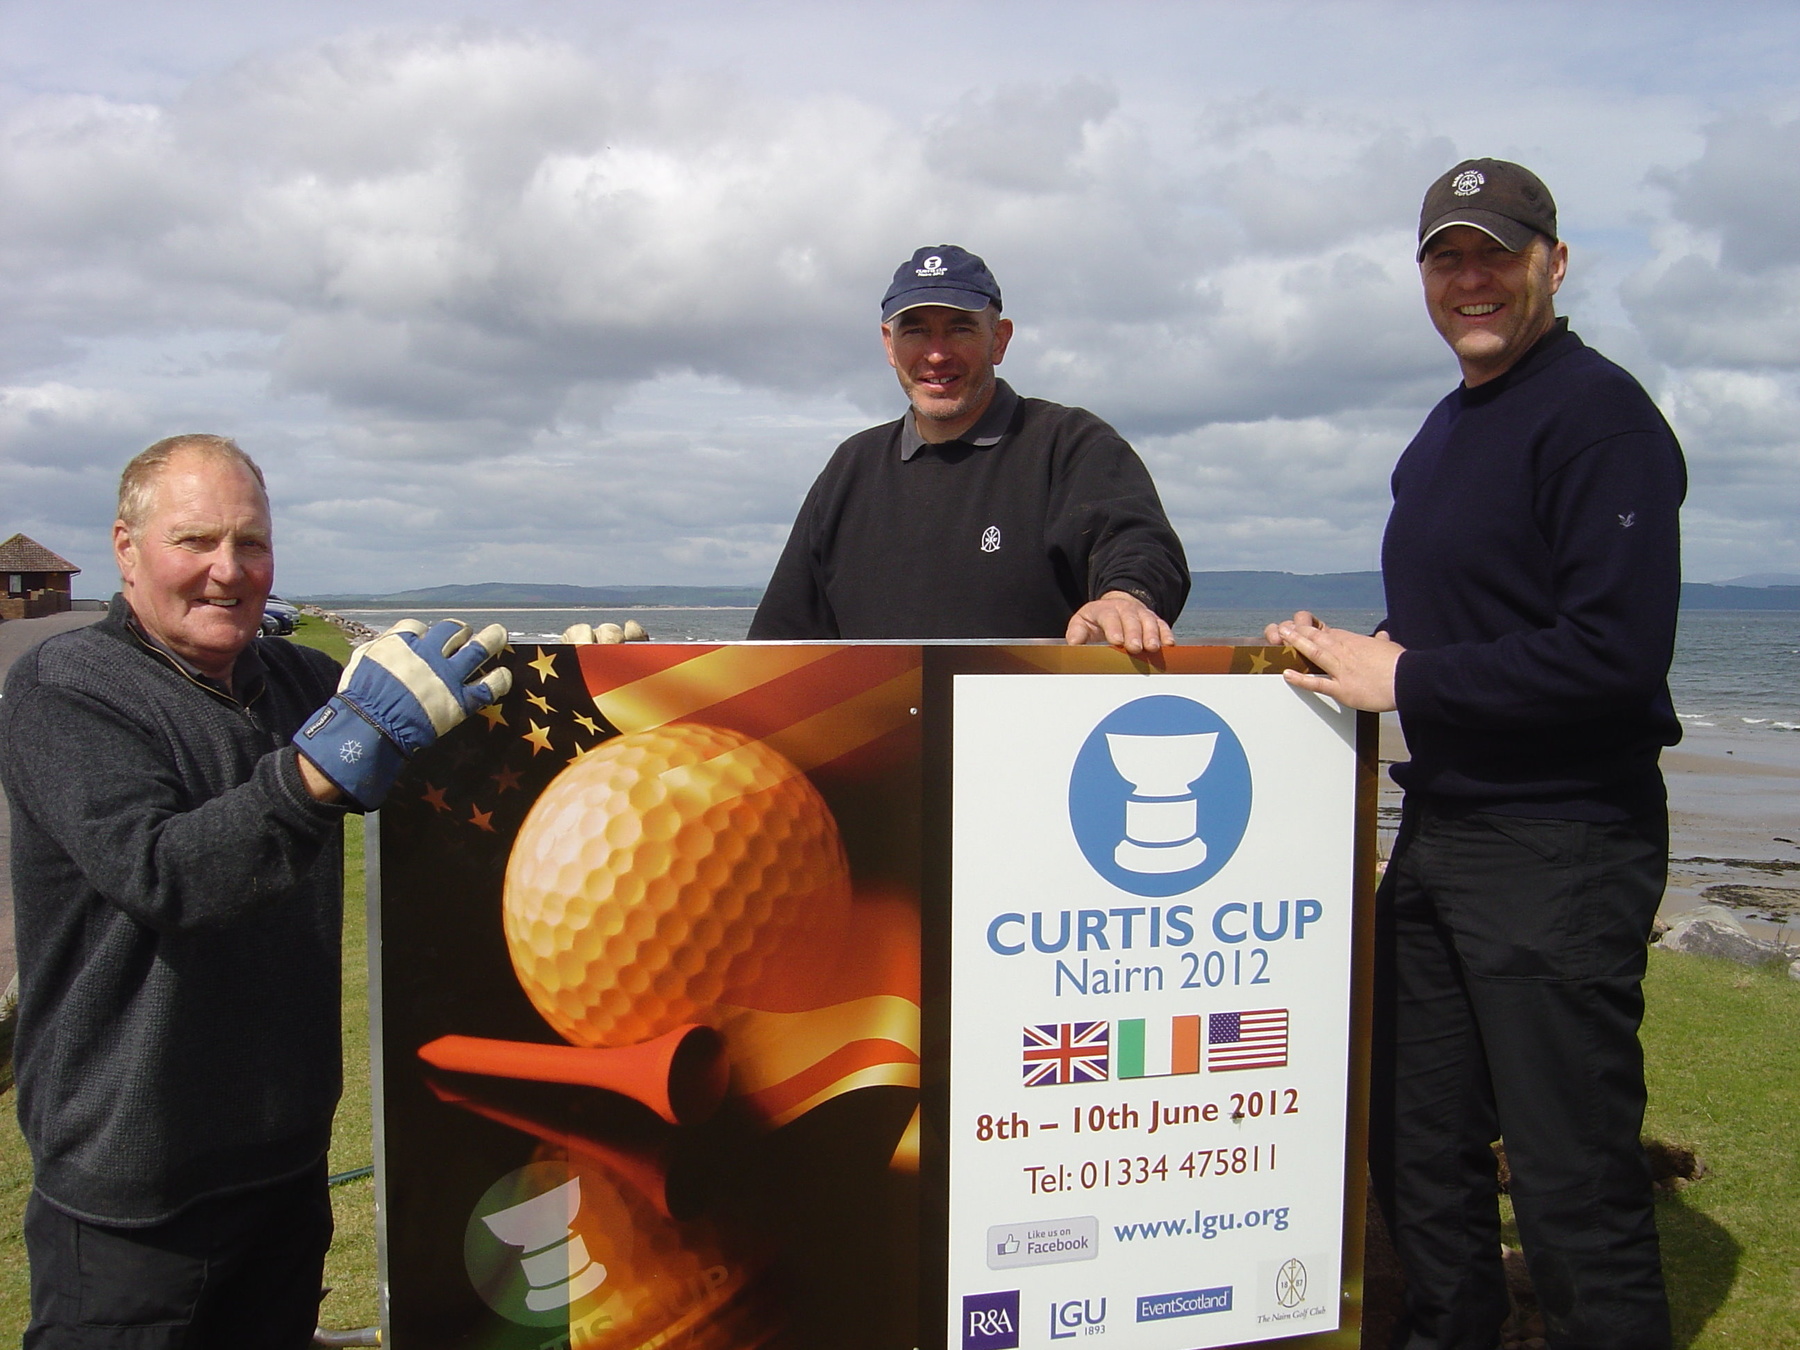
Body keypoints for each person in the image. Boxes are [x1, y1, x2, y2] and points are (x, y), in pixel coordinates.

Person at [1267, 161, 1683, 1349]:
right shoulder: (1443, 432)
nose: (1472, 279)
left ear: (1554, 262)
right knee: (1414, 1145)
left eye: (1496, 252)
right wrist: (1354, 654)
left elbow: (1612, 653)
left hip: (1565, 842)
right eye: (1448, 258)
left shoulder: (1603, 418)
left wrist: (1408, 679)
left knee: (1568, 1179)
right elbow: (1464, 630)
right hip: (1444, 830)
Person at [0, 435, 509, 1346]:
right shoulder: (65, 688)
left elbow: (445, 738)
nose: (228, 573)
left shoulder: (300, 681)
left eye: (253, 544)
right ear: (125, 548)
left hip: (283, 1169)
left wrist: (582, 675)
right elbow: (166, 875)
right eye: (194, 541)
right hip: (135, 1197)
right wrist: (331, 761)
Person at [748, 245, 1189, 649]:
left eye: (959, 329)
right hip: (887, 735)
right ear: (888, 343)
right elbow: (780, 644)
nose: (936, 355)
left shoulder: (1071, 444)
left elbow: (1139, 545)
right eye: (916, 331)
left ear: (999, 339)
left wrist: (1124, 598)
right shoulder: (851, 468)